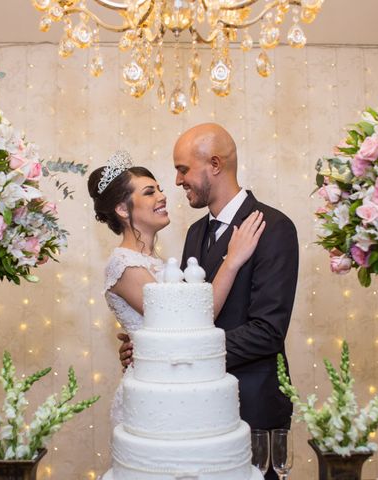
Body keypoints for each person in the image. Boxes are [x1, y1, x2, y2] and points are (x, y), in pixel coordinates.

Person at [118, 124, 299, 480]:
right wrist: (154, 346)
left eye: (183, 169)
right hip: (195, 412)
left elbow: (267, 332)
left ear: (214, 164)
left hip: (252, 408)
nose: (177, 180)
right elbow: (192, 316)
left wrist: (180, 356)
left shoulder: (274, 227)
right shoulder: (194, 233)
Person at [87, 149, 265, 426]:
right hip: (154, 392)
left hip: (177, 383)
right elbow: (192, 319)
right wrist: (232, 261)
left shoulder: (157, 262)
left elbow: (167, 325)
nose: (162, 195)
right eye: (149, 192)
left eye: (159, 189)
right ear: (122, 209)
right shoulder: (123, 264)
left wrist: (143, 343)